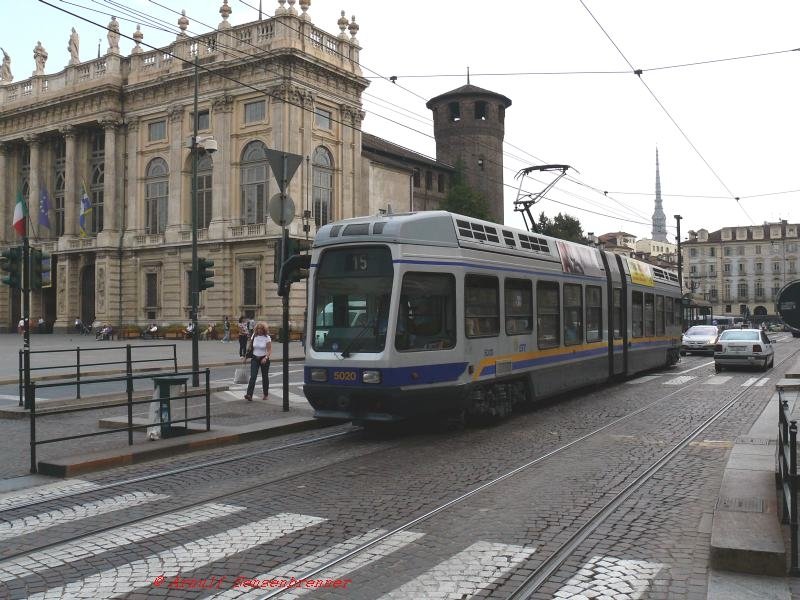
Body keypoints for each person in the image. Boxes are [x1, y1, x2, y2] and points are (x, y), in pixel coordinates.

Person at [243, 321, 272, 401]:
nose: (259, 330)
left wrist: (265, 358)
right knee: (253, 376)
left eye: (261, 329)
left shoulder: (267, 338)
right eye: (258, 328)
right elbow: (250, 347)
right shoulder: (254, 336)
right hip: (255, 358)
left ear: (264, 329)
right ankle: (249, 394)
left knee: (265, 377)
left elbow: (269, 350)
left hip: (264, 359)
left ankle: (265, 394)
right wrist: (245, 357)